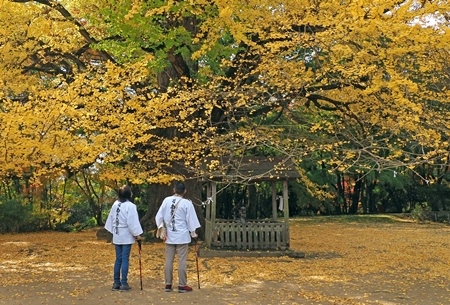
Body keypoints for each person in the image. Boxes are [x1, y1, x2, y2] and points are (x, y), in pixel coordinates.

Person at [155, 181, 201, 293]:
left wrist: (162, 228)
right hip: (182, 236)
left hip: (169, 235)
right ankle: (182, 285)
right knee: (182, 261)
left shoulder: (166, 200)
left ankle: (168, 284)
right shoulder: (187, 203)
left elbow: (158, 217)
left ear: (174, 190)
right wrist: (193, 234)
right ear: (185, 191)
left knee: (169, 260)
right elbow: (191, 220)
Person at [105, 185, 143, 291]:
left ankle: (116, 283)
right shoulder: (130, 206)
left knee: (118, 259)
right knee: (125, 259)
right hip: (126, 235)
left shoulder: (115, 204)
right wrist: (137, 234)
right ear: (129, 194)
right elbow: (132, 223)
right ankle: (124, 283)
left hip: (117, 234)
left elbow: (111, 220)